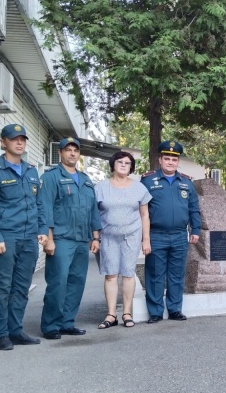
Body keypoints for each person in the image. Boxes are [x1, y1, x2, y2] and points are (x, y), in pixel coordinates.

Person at [0, 124, 43, 351]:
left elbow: (38, 204)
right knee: (3, 286)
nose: (19, 143)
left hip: (28, 238)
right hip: (6, 237)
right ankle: (1, 334)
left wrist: (41, 231)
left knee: (21, 286)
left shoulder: (31, 170)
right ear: (2, 142)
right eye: (14, 139)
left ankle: (15, 330)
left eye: (22, 139)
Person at [38, 137, 102, 339]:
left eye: (75, 150)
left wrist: (95, 237)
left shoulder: (85, 179)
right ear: (61, 153)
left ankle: (67, 322)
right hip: (61, 238)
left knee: (77, 282)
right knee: (58, 283)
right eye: (68, 150)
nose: (72, 153)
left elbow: (93, 210)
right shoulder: (51, 177)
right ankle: (50, 325)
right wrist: (49, 239)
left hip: (82, 240)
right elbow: (45, 208)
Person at [141, 140, 201, 322]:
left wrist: (195, 229)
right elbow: (141, 210)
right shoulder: (148, 181)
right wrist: (144, 238)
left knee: (176, 274)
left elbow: (194, 208)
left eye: (174, 160)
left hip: (179, 236)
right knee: (155, 274)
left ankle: (175, 309)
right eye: (166, 159)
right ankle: (156, 312)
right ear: (160, 160)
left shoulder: (187, 182)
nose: (170, 162)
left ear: (178, 162)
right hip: (156, 235)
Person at [95, 152, 152, 329]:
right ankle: (111, 314)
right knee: (111, 275)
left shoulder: (139, 188)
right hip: (108, 237)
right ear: (113, 164)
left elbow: (145, 215)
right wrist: (95, 237)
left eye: (127, 163)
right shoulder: (100, 187)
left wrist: (146, 240)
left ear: (131, 167)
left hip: (131, 236)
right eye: (120, 162)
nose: (123, 165)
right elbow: (94, 215)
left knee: (128, 273)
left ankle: (127, 313)